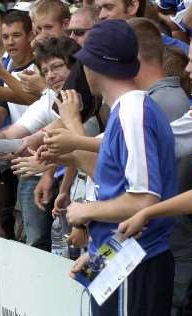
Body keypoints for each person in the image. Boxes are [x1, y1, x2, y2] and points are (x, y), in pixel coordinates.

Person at [66, 20, 177, 315]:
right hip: (122, 257)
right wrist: (98, 256)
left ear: (95, 66)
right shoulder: (127, 110)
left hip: (138, 263)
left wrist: (84, 211)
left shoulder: (132, 111)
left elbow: (143, 199)